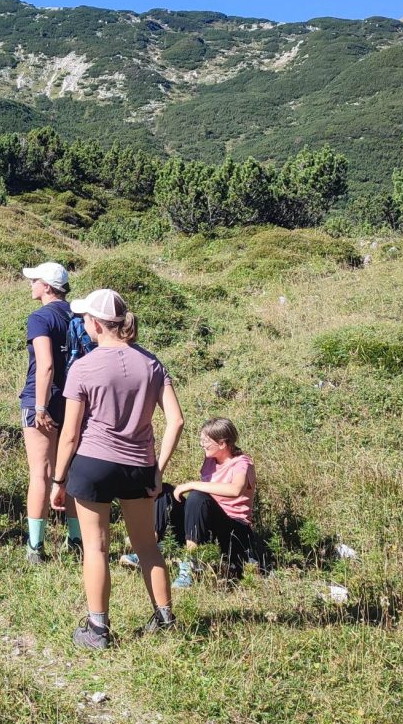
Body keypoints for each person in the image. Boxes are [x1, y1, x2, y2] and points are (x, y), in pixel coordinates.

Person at [49, 289, 185, 648]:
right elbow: (177, 421)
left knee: (96, 547)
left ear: (95, 324)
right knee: (147, 546)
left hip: (94, 464)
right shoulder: (152, 363)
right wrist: (157, 470)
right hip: (139, 465)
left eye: (84, 318)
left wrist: (58, 480)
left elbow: (70, 434)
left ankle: (98, 629)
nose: (82, 323)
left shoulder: (83, 366)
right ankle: (165, 618)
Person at [125, 417, 257, 586]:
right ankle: (149, 548)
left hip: (233, 529)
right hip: (205, 524)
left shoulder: (242, 462)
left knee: (197, 497)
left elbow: (236, 490)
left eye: (206, 441)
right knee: (166, 492)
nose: (202, 444)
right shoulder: (210, 460)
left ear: (222, 444)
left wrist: (192, 484)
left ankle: (191, 565)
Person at [19, 262, 79, 564]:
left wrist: (40, 407)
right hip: (74, 399)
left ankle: (36, 546)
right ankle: (76, 540)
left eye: (35, 280)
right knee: (70, 470)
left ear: (47, 287)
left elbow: (46, 365)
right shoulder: (77, 316)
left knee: (40, 473)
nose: (31, 285)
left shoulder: (40, 318)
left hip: (42, 398)